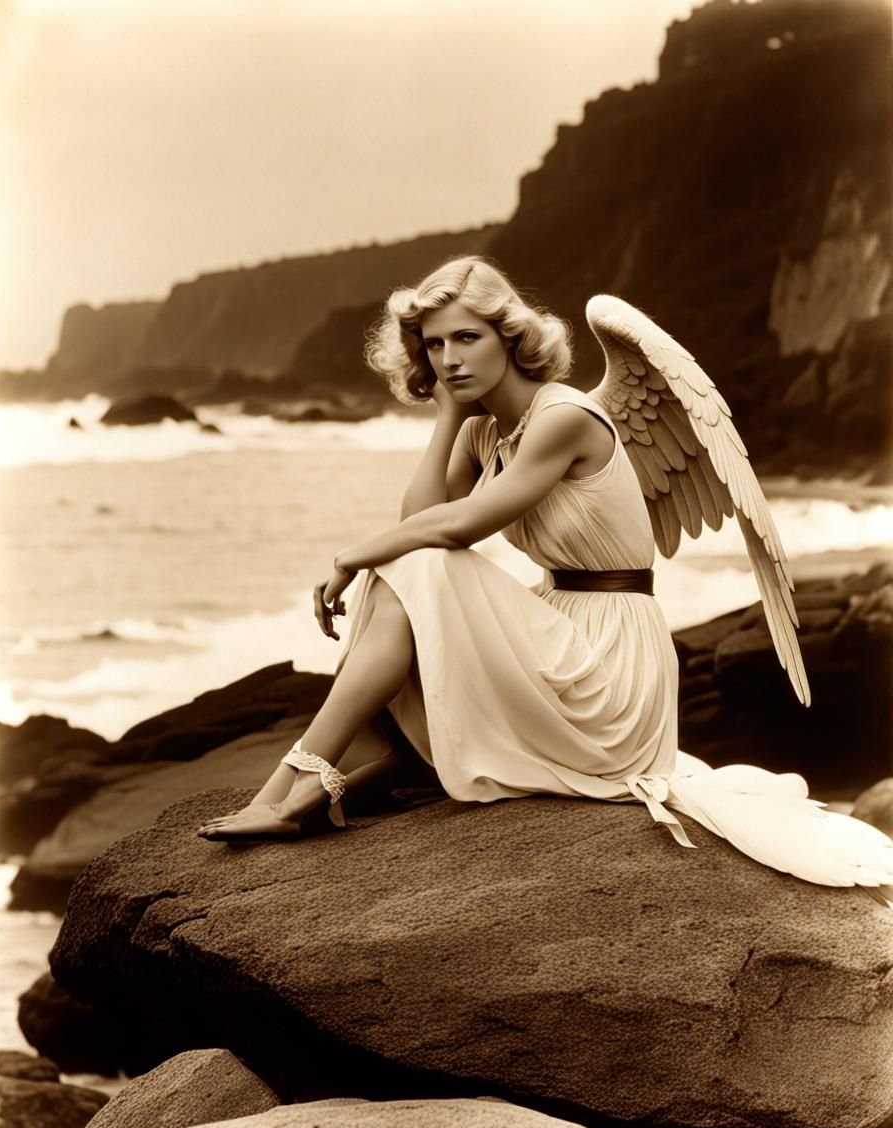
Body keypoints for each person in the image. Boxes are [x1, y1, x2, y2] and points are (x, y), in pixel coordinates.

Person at [197, 256, 893, 901]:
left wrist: (351, 558)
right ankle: (359, 772)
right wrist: (448, 415)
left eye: (467, 338)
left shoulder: (564, 418)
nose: (450, 358)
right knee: (406, 565)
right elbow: (420, 518)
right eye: (434, 345)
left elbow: (452, 530)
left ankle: (297, 786)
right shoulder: (484, 433)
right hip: (563, 631)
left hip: (612, 668)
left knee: (419, 562)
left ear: (509, 336)